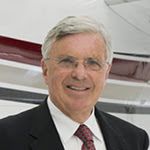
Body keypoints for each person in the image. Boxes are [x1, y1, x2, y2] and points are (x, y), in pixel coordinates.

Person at [0, 16, 149, 150]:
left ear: (106, 72)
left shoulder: (134, 140)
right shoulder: (6, 138)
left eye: (92, 63)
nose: (79, 74)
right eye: (67, 61)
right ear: (46, 70)